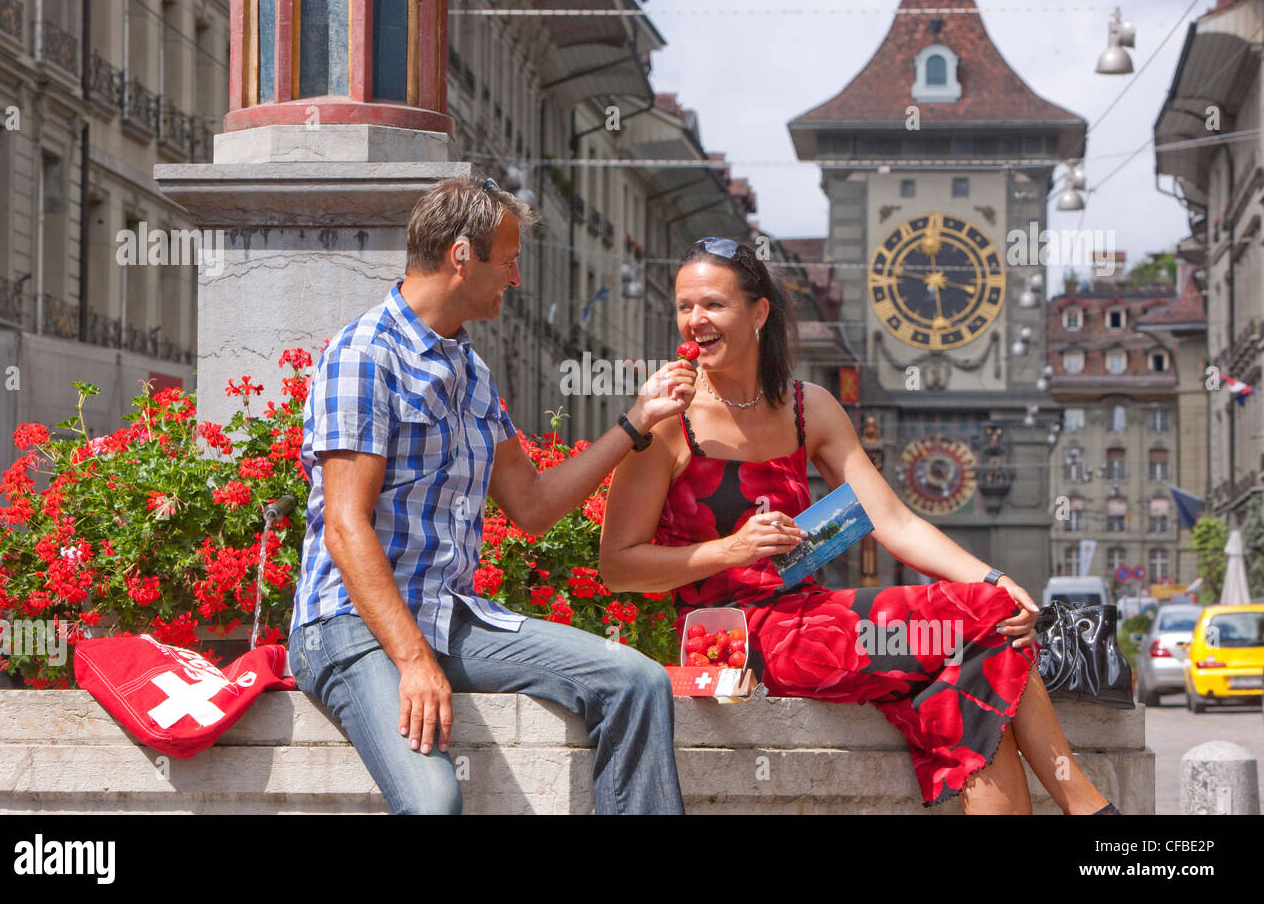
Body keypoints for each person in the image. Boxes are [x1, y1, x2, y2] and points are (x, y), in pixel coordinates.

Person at [598, 238, 1121, 814]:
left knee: (977, 680)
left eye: (713, 305)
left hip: (814, 619)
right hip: (739, 643)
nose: (695, 320)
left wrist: (994, 579)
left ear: (759, 313)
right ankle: (1092, 811)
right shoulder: (666, 419)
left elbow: (892, 520)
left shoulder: (808, 407)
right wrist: (731, 549)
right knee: (984, 634)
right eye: (684, 306)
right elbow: (619, 567)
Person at [288, 176, 697, 814]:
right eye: (507, 261)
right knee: (432, 802)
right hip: (349, 626)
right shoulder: (366, 356)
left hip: (448, 617)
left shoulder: (470, 371)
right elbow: (344, 526)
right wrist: (414, 660)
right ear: (461, 256)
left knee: (637, 682)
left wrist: (635, 423)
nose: (516, 278)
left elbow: (531, 505)